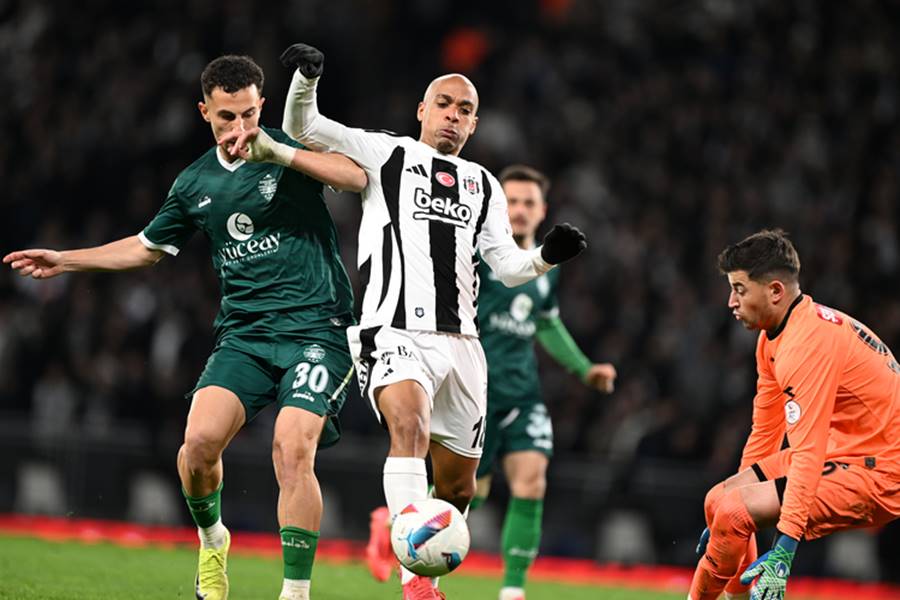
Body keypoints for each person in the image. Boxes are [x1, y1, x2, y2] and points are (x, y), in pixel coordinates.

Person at [224, 43, 588, 600]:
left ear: (474, 123)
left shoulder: (484, 185)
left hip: (463, 344)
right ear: (422, 110)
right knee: (410, 428)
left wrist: (545, 257)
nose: (453, 115)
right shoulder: (386, 154)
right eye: (444, 104)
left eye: (465, 110)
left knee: (459, 488)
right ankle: (416, 582)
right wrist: (306, 79)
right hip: (393, 331)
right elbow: (304, 126)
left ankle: (409, 546)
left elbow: (506, 267)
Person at [4, 55, 367, 600]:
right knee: (197, 446)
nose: (239, 129)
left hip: (317, 329)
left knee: (292, 448)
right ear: (204, 112)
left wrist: (281, 152)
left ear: (263, 106)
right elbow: (146, 248)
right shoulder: (196, 182)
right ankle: (213, 540)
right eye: (226, 117)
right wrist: (65, 260)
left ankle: (295, 594)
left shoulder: (288, 146)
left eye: (248, 115)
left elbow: (357, 176)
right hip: (245, 335)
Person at [688, 229, 900, 600]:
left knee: (734, 511)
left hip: (881, 470)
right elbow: (765, 431)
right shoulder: (774, 337)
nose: (730, 302)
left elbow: (808, 451)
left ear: (774, 291)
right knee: (719, 501)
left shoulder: (807, 345)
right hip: (845, 449)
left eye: (739, 289)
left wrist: (784, 550)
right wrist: (734, 514)